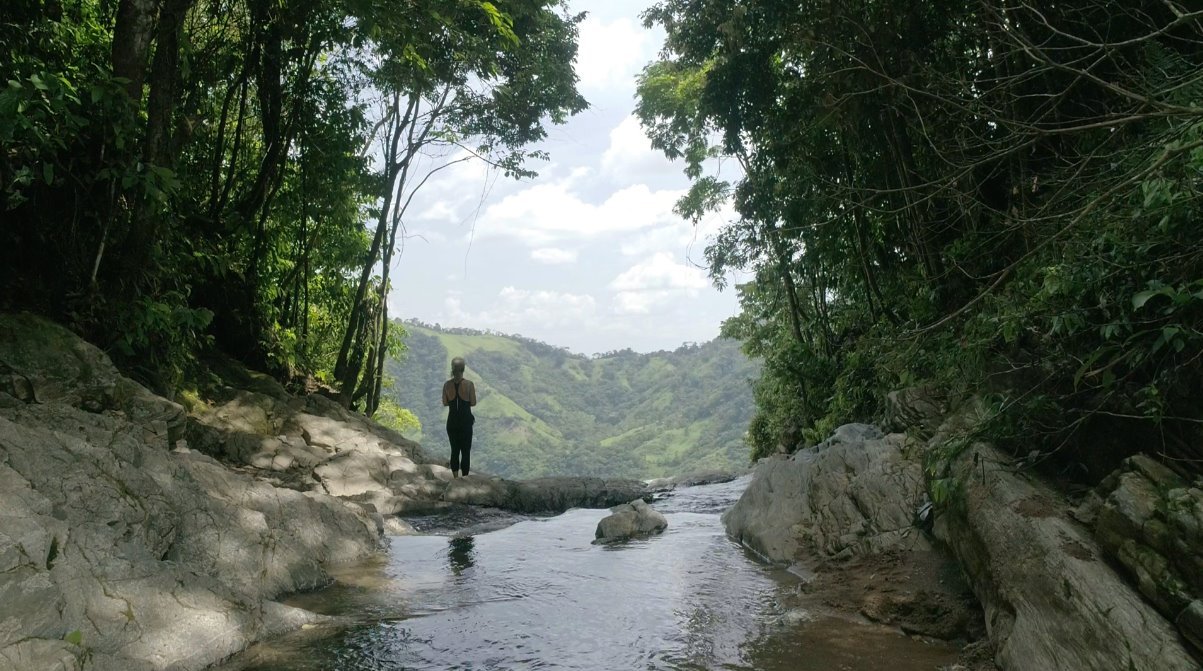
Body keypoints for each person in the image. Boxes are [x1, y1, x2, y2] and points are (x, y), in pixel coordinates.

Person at [442, 356, 477, 478]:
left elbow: (445, 403)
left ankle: (455, 478)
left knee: (454, 450)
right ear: (463, 369)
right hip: (466, 422)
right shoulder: (469, 385)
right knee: (465, 452)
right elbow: (473, 402)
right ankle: (465, 479)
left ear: (452, 368)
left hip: (452, 422)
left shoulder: (447, 385)